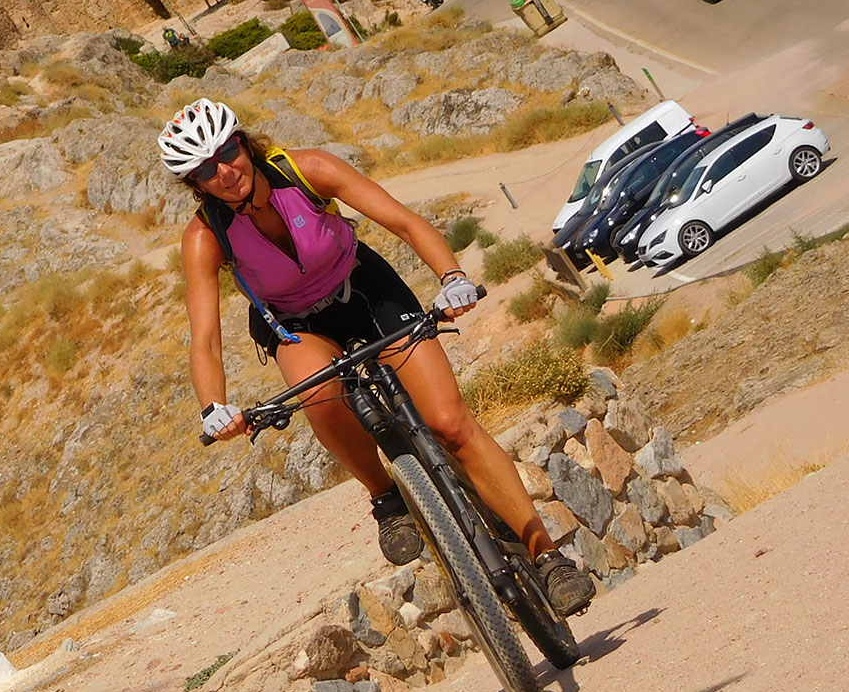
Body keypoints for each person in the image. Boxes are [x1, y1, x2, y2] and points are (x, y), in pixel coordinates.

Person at [158, 98, 594, 617]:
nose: (225, 171)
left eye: (228, 152)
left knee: (452, 424)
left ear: (243, 142)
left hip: (363, 287)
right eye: (205, 169)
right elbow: (204, 337)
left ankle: (548, 558)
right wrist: (214, 408)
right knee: (319, 392)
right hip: (297, 323)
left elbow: (406, 223)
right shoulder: (205, 236)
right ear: (195, 184)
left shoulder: (308, 170)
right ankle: (386, 496)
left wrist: (452, 277)